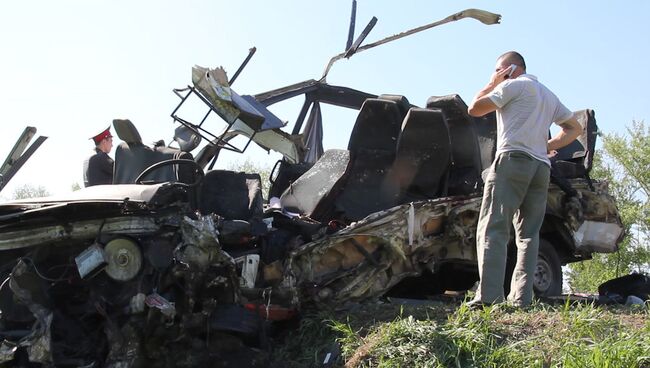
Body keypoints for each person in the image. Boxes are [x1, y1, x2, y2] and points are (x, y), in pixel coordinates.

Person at [466, 51, 582, 307]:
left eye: (499, 70)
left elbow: (474, 109)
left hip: (512, 160)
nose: (497, 74)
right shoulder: (548, 95)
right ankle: (522, 299)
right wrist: (549, 144)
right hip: (540, 168)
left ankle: (489, 298)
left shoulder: (513, 85)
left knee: (493, 227)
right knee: (529, 234)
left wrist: (491, 83)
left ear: (509, 69)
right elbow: (576, 128)